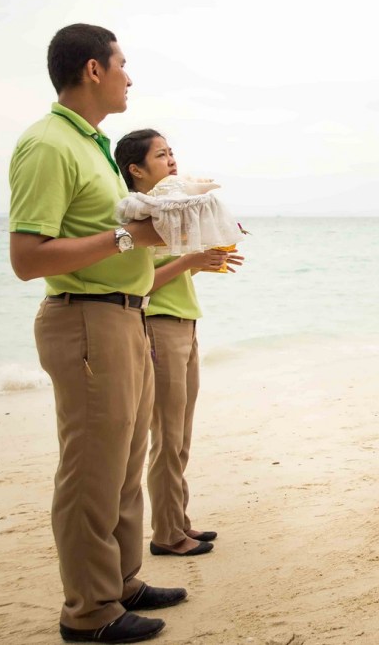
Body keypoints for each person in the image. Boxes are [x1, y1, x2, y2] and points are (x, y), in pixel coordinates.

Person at [8, 24, 185, 643]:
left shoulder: (94, 146)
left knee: (127, 458)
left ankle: (123, 582)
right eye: (122, 64)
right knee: (91, 468)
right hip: (85, 319)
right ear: (92, 70)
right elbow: (29, 258)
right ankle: (88, 611)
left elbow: (120, 235)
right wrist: (128, 238)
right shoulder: (49, 145)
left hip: (125, 314)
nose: (129, 76)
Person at [114, 130, 243, 558]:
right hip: (158, 326)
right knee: (166, 435)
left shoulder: (168, 212)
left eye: (172, 153)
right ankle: (167, 534)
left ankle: (178, 521)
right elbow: (141, 282)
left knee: (180, 433)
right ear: (135, 169)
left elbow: (171, 270)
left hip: (184, 323)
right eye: (161, 155)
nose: (171, 161)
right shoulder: (137, 219)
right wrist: (189, 260)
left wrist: (205, 262)